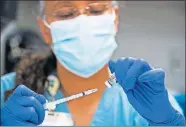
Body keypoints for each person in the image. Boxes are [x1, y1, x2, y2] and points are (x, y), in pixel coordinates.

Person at [1, 0, 185, 126]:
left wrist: (167, 123)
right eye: (65, 14)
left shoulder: (147, 101)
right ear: (45, 30)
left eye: (96, 10)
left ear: (115, 19)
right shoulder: (8, 91)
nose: (83, 22)